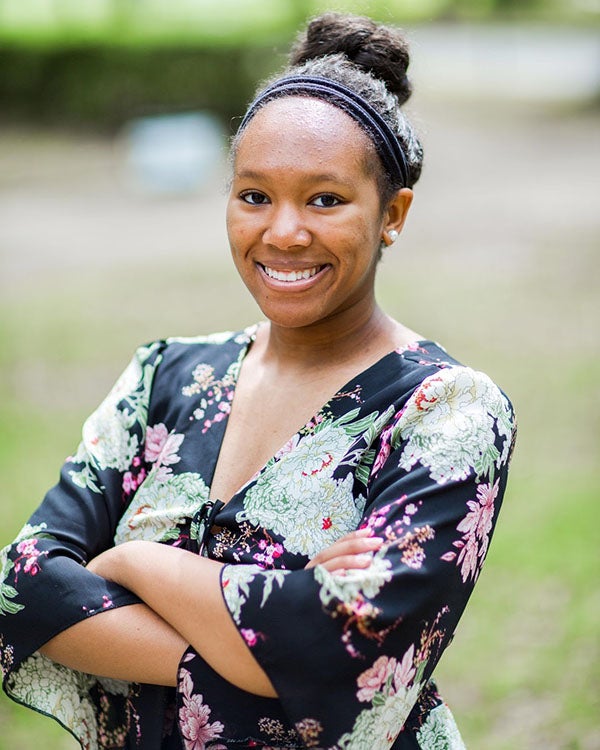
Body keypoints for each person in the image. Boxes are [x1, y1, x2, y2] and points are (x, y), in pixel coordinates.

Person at [0, 12, 516, 750]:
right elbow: (22, 585)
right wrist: (261, 642)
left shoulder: (446, 412)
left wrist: (135, 563)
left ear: (392, 214)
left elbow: (347, 653)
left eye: (326, 200)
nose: (282, 233)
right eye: (253, 196)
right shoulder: (164, 377)